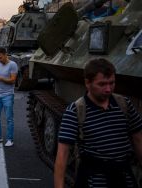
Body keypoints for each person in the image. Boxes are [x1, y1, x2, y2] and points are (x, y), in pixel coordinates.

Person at [54, 58, 142, 188]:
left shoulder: (124, 104)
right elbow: (62, 155)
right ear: (87, 83)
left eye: (111, 83)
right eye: (102, 84)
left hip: (124, 178)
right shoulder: (76, 111)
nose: (108, 89)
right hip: (93, 181)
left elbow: (138, 140)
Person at [0, 47, 18, 147]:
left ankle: (10, 139)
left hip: (8, 95)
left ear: (5, 55)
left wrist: (0, 78)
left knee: (9, 118)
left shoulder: (13, 65)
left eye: (0, 57)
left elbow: (13, 80)